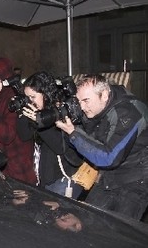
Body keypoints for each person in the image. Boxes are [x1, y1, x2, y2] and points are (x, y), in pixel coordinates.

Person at [56, 74, 148, 220]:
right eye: (79, 102)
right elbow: (82, 149)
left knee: (119, 234)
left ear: (104, 95)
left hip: (135, 180)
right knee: (88, 222)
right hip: (109, 177)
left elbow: (109, 158)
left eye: (86, 101)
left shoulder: (129, 112)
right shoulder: (97, 108)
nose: (82, 107)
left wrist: (73, 133)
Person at [16, 71, 83, 198]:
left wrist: (41, 122)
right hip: (45, 179)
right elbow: (24, 136)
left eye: (33, 97)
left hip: (63, 180)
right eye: (27, 97)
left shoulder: (60, 111)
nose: (30, 101)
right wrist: (23, 112)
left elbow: (60, 147)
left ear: (45, 95)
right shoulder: (36, 111)